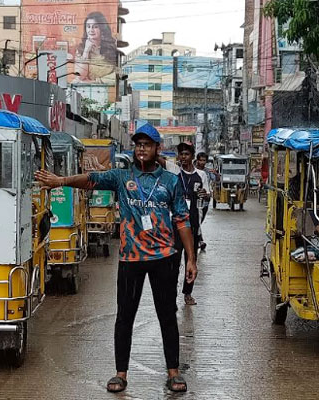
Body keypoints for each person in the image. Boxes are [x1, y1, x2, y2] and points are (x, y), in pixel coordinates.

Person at [34, 123, 196, 394]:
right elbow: (90, 180)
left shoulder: (170, 181)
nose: (142, 148)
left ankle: (173, 372)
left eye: (147, 144)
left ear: (158, 149)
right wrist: (61, 181)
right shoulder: (122, 176)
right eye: (138, 144)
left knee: (167, 315)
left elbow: (182, 220)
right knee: (125, 317)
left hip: (164, 258)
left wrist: (191, 258)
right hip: (130, 259)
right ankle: (121, 373)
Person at [160, 143, 209, 305]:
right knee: (173, 262)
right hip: (175, 224)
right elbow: (159, 161)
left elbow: (207, 195)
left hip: (192, 224)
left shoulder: (201, 175)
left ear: (192, 156)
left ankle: (188, 293)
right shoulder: (174, 170)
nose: (183, 157)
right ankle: (171, 294)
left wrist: (204, 194)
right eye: (181, 154)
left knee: (191, 259)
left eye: (186, 154)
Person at [73, 12, 118, 83]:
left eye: (95, 27)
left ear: (102, 29)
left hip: (105, 89)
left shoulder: (111, 49)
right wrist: (86, 51)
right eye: (88, 26)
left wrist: (96, 81)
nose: (91, 30)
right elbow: (80, 76)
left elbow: (118, 75)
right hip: (82, 89)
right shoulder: (81, 49)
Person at [195, 152, 215, 250]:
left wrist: (217, 174)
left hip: (205, 201)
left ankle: (198, 239)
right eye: (200, 160)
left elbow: (216, 180)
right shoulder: (192, 170)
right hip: (193, 201)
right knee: (196, 221)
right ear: (197, 160)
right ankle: (200, 240)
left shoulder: (208, 172)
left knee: (199, 221)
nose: (202, 162)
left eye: (204, 160)